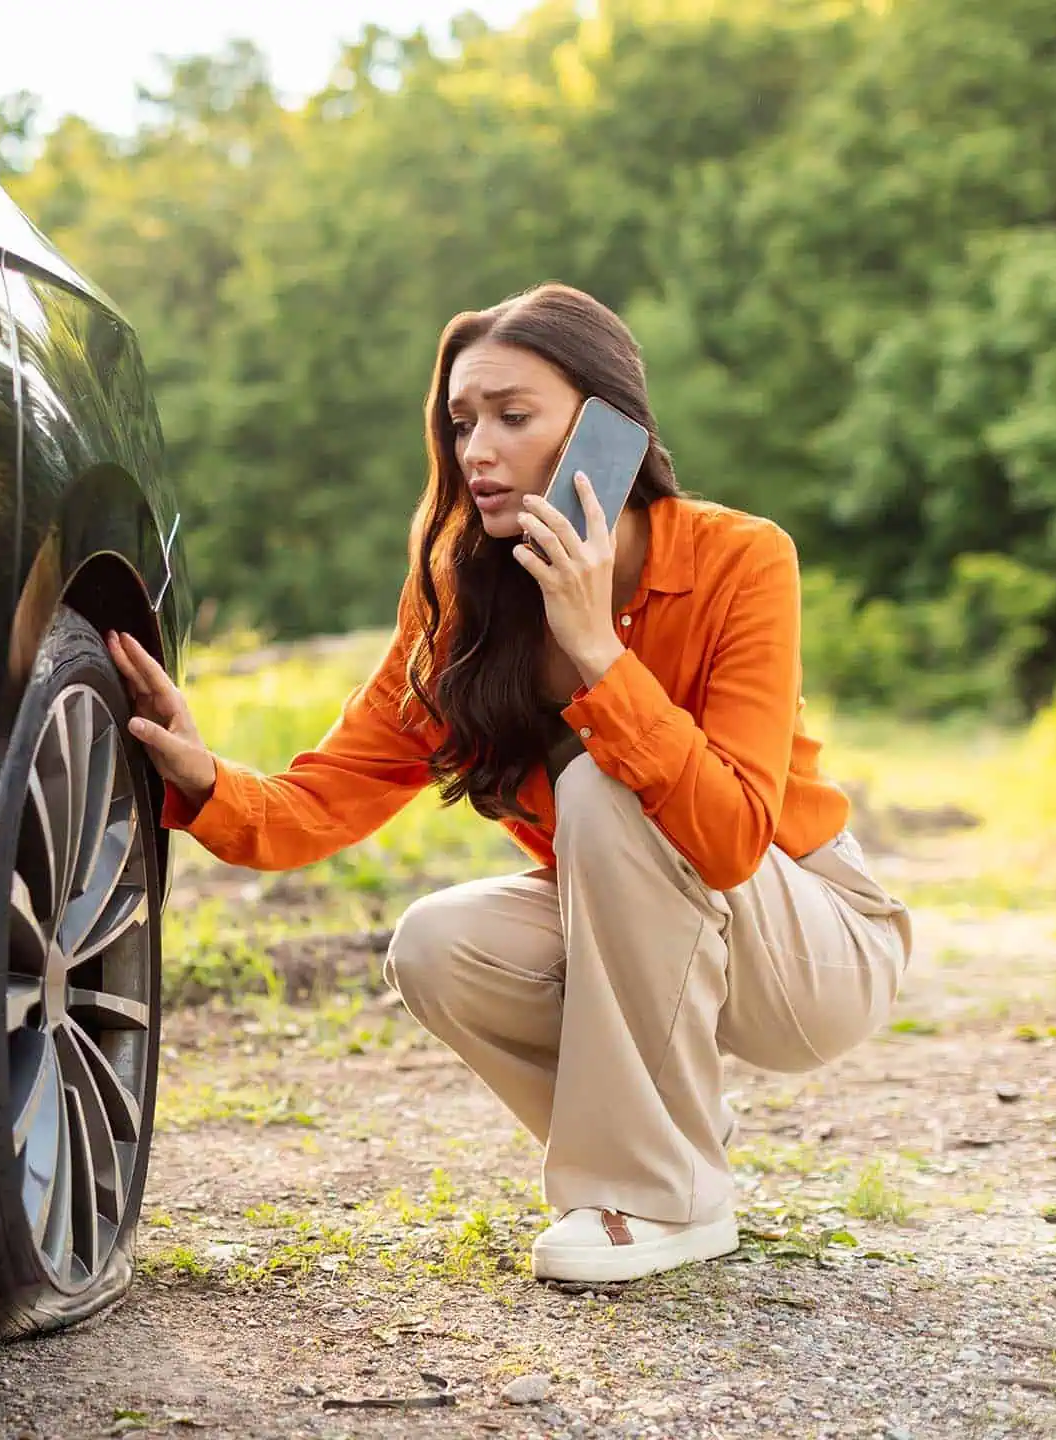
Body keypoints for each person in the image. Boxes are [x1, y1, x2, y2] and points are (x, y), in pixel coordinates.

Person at [106, 282, 912, 1285]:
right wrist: (200, 771)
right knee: (440, 948)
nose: (477, 451)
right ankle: (675, 1165)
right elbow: (326, 797)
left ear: (608, 429)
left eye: (513, 417)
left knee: (603, 789)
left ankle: (650, 1194)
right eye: (461, 422)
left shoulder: (741, 559)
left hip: (810, 946)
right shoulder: (461, 600)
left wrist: (597, 657)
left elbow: (733, 838)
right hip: (648, 932)